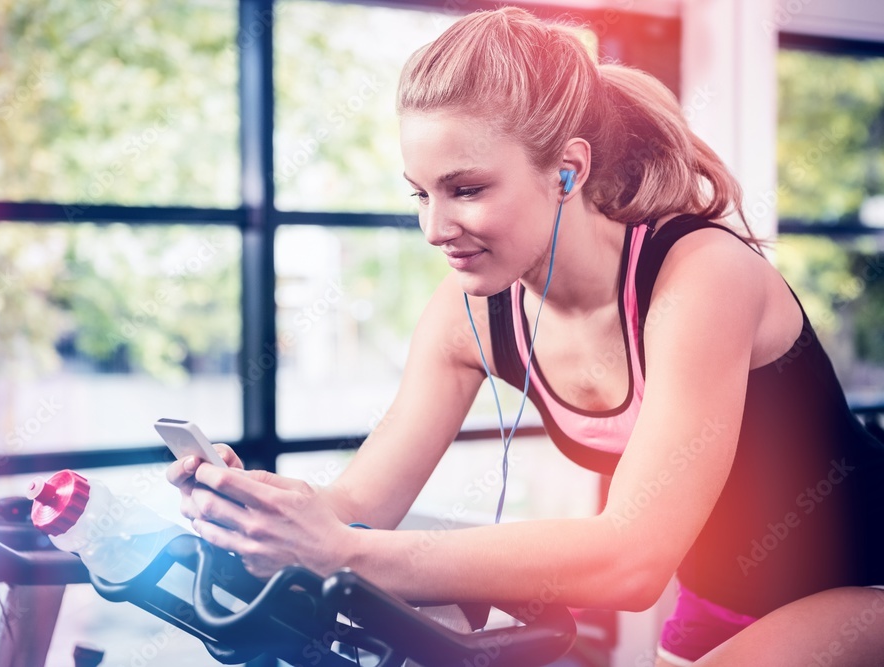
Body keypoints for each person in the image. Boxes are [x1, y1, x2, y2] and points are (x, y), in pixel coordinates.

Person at [167, 7, 884, 665]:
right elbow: (357, 506)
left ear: (567, 169)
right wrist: (260, 513)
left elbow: (632, 556)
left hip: (864, 578)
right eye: (420, 193)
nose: (435, 228)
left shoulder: (700, 277)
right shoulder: (472, 312)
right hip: (719, 599)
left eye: (466, 189)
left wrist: (348, 553)